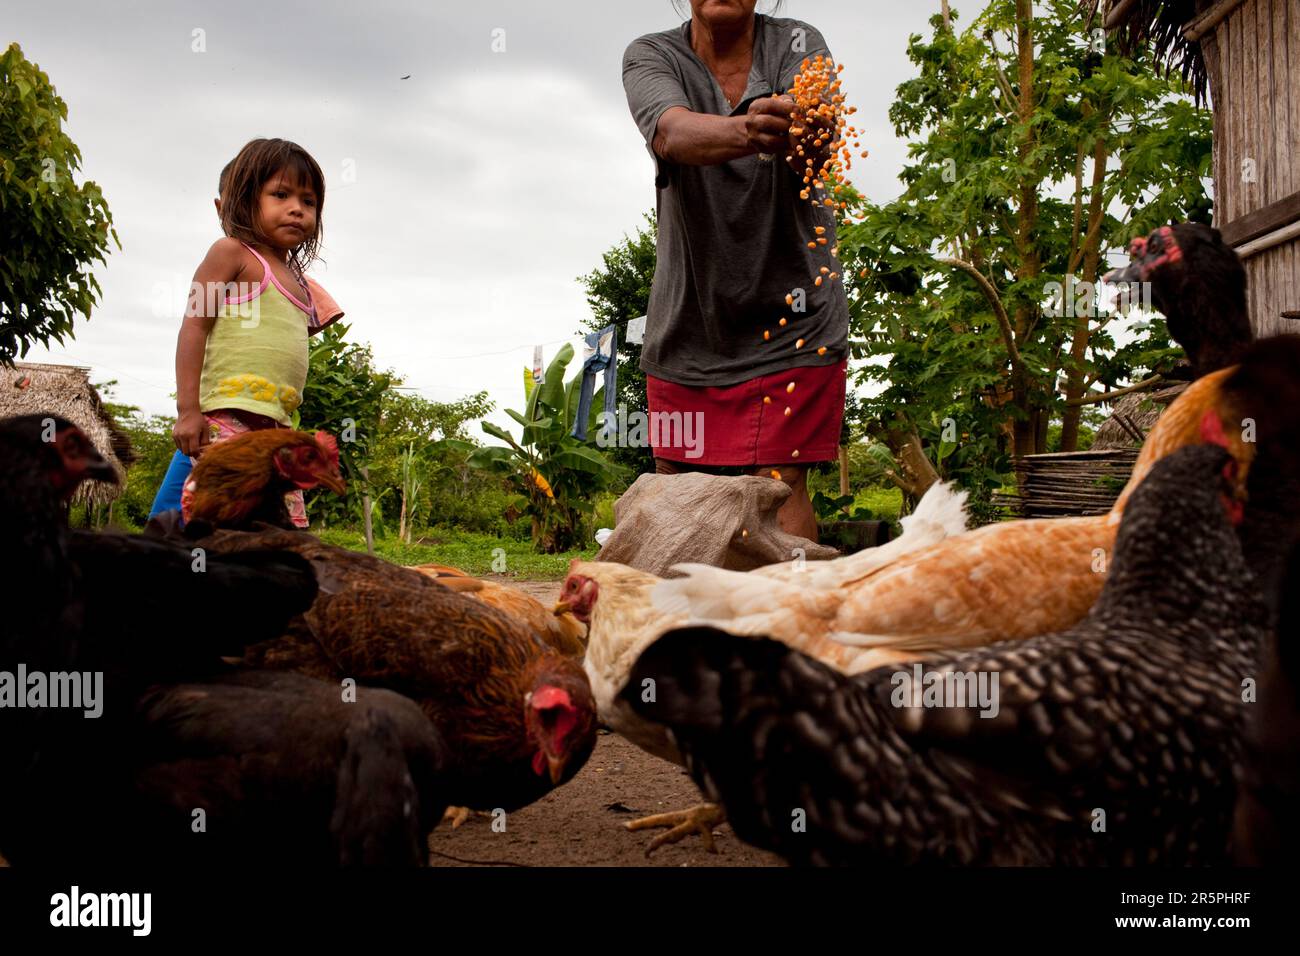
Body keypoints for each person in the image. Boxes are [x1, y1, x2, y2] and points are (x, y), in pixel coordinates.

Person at [623, 0, 849, 541]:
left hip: (794, 320)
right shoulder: (652, 55)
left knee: (780, 482)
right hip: (691, 326)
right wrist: (754, 130)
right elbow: (671, 135)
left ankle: (786, 624)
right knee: (678, 488)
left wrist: (805, 130)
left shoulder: (798, 42)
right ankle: (683, 625)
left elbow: (818, 138)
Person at [148, 139, 343, 527]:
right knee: (184, 522)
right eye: (281, 194)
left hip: (276, 430)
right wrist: (188, 411)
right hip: (223, 418)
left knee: (274, 533)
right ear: (244, 200)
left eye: (308, 201)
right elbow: (195, 324)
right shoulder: (231, 253)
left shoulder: (303, 284)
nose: (297, 209)